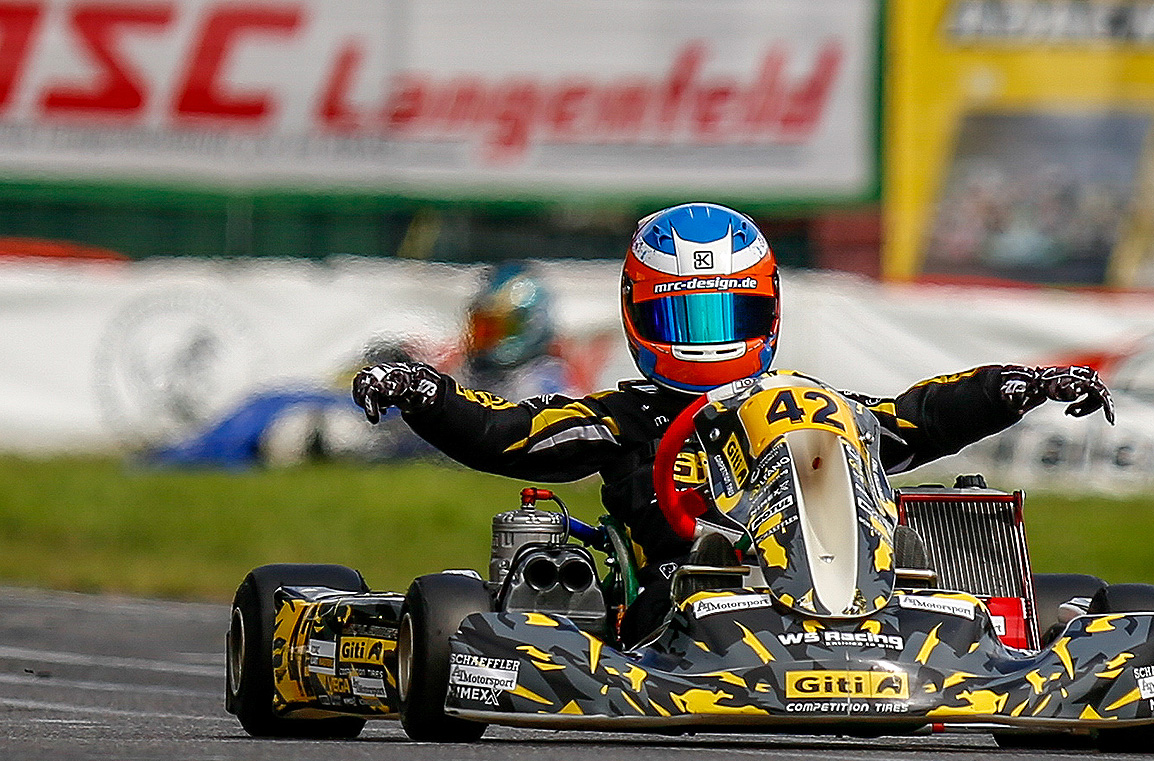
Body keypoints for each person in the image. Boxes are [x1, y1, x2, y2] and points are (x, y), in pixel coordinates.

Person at [353, 202, 1113, 644]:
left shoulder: (813, 405)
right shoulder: (626, 416)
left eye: (727, 312)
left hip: (858, 602)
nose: (708, 334)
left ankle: (861, 608)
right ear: (639, 315)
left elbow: (915, 418)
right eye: (685, 313)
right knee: (465, 624)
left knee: (1081, 609)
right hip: (680, 611)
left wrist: (1015, 387)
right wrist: (423, 391)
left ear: (765, 311)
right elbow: (507, 432)